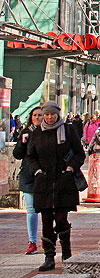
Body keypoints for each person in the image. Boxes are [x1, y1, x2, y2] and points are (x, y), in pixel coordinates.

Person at [27, 101, 85, 271]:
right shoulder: (37, 133)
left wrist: (70, 167)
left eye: (52, 114)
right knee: (46, 220)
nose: (49, 117)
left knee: (61, 218)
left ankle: (66, 253)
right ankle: (49, 256)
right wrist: (36, 171)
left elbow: (79, 153)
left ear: (58, 114)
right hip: (43, 182)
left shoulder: (68, 130)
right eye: (46, 114)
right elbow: (31, 156)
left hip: (63, 181)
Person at [13, 106, 42, 255]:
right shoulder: (26, 132)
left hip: (44, 175)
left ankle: (47, 239)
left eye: (40, 115)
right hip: (29, 175)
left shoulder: (48, 132)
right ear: (31, 117)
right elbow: (17, 154)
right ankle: (32, 241)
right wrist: (22, 143)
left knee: (46, 209)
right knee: (31, 210)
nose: (37, 118)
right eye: (35, 115)